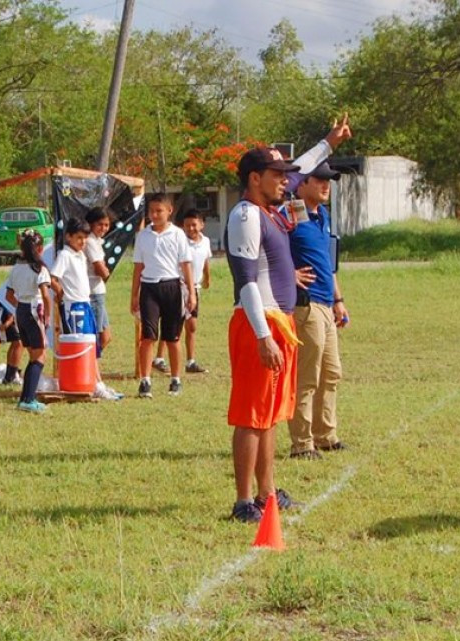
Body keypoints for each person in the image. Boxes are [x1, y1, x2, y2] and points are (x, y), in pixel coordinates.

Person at [225, 116, 351, 523]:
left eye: (286, 175)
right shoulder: (246, 215)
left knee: (269, 416)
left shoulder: (272, 208)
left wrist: (330, 141)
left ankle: (266, 494)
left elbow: (304, 169)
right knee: (251, 416)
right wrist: (263, 335)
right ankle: (244, 501)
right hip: (258, 323)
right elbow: (246, 280)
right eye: (277, 175)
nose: (286, 181)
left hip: (279, 322)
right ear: (255, 178)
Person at [284, 161, 349, 460]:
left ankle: (326, 435)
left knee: (332, 373)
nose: (326, 185)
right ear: (302, 184)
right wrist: (288, 273)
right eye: (319, 180)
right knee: (307, 377)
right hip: (306, 304)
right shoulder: (290, 214)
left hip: (326, 303)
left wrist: (339, 299)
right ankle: (302, 443)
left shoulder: (322, 215)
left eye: (328, 180)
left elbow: (327, 263)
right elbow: (266, 250)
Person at [130, 193, 196, 397]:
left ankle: (175, 379)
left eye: (159, 211)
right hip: (149, 287)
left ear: (169, 211)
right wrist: (134, 295)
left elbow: (186, 265)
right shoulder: (143, 236)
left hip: (171, 287)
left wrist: (191, 294)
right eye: (151, 211)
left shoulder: (177, 235)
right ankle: (145, 380)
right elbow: (138, 267)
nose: (155, 215)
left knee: (172, 337)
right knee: (147, 336)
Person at [154, 208, 212, 373]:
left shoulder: (205, 242)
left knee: (191, 325)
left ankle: (190, 361)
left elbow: (205, 261)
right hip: (179, 286)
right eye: (187, 225)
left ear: (201, 225)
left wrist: (207, 277)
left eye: (194, 225)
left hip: (194, 288)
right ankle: (159, 358)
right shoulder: (180, 241)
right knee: (173, 325)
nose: (190, 228)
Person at [7, 230, 52, 413]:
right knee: (39, 356)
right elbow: (46, 296)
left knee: (33, 355)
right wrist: (47, 316)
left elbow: (9, 295)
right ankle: (28, 399)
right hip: (35, 310)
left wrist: (21, 306)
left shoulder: (16, 268)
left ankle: (26, 397)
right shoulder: (40, 269)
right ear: (40, 249)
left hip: (21, 311)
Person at [50, 217, 96, 337]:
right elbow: (52, 278)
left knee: (89, 339)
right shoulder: (65, 255)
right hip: (73, 306)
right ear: (69, 237)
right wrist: (60, 292)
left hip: (85, 303)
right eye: (79, 237)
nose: (83, 241)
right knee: (77, 340)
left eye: (85, 238)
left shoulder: (81, 255)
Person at [85, 207, 114, 356]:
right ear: (91, 224)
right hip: (93, 293)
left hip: (99, 292)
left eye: (106, 225)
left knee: (106, 337)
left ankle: (91, 362)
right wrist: (105, 271)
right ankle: (90, 364)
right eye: (100, 224)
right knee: (95, 337)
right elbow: (101, 270)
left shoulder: (97, 241)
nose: (103, 228)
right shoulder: (90, 241)